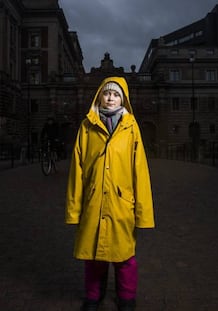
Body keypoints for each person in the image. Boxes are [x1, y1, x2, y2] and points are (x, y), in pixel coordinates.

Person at [65, 77, 155, 311]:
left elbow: (140, 170)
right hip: (93, 202)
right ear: (99, 96)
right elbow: (77, 168)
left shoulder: (131, 127)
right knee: (93, 258)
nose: (111, 98)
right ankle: (93, 296)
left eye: (116, 94)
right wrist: (74, 211)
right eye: (107, 93)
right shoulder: (87, 126)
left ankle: (126, 297)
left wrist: (143, 213)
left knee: (125, 258)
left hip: (121, 204)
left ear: (123, 99)